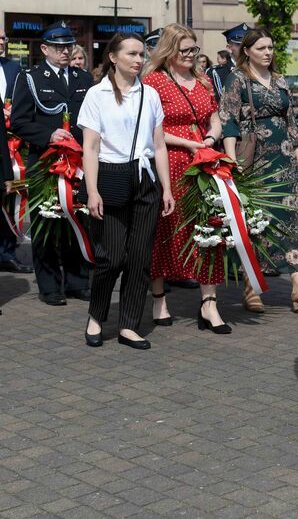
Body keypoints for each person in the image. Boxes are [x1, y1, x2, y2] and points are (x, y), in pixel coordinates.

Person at [79, 33, 174, 349]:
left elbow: (158, 144)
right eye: (131, 54)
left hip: (145, 178)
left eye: (141, 55)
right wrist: (92, 191)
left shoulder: (150, 95)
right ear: (113, 57)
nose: (138, 60)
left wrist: (166, 189)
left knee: (139, 257)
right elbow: (90, 148)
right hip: (110, 176)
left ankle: (129, 325)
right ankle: (97, 315)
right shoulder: (97, 95)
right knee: (111, 257)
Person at [219, 28, 298, 312]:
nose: (268, 53)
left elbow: (291, 122)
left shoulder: (279, 80)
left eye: (271, 47)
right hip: (256, 160)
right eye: (262, 48)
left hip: (285, 158)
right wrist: (231, 162)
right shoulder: (237, 79)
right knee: (258, 221)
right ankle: (251, 287)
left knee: (292, 219)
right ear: (248, 51)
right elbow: (228, 121)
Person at [142, 24, 231, 334]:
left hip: (203, 160)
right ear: (169, 51)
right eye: (186, 50)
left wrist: (210, 136)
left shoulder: (204, 81)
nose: (192, 55)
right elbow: (150, 129)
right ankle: (158, 297)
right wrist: (187, 142)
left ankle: (209, 303)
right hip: (170, 160)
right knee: (165, 230)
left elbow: (214, 116)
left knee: (209, 226)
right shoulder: (154, 82)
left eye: (195, 49)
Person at [10, 21, 94, 305]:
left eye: (68, 46)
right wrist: (48, 134)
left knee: (76, 219)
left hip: (79, 161)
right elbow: (19, 121)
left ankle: (77, 281)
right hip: (46, 162)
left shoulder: (83, 78)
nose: (65, 51)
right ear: (44, 49)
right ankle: (49, 287)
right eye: (58, 47)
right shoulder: (31, 77)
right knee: (47, 223)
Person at [1, 27, 32, 274]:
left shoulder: (13, 68)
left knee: (12, 195)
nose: (1, 42)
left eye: (3, 38)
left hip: (12, 143)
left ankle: (7, 252)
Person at [209, 24, 248, 102]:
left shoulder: (258, 69)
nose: (245, 48)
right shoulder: (216, 73)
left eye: (248, 45)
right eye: (240, 45)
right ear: (229, 48)